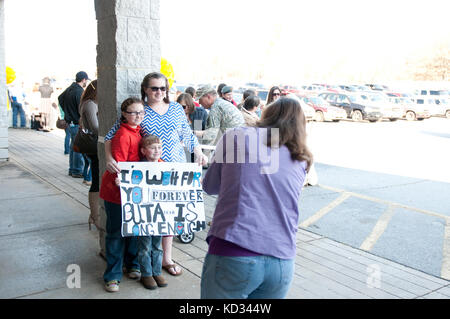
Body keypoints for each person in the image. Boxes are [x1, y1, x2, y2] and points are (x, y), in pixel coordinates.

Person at [200, 97, 313, 299]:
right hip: (282, 261)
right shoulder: (301, 157)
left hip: (234, 250)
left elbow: (210, 186)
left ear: (266, 114)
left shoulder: (237, 136)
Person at [104, 72, 208, 277]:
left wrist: (199, 151)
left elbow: (187, 135)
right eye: (154, 88)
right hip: (149, 170)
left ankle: (166, 258)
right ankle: (145, 261)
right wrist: (109, 159)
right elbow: (110, 136)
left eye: (163, 88)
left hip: (175, 167)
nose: (159, 92)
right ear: (145, 89)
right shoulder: (140, 111)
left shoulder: (177, 108)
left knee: (170, 215)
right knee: (150, 217)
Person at [99, 97, 144, 293]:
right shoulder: (123, 134)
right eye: (133, 112)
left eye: (141, 113)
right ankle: (112, 276)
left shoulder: (140, 131)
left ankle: (132, 263)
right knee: (116, 233)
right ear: (124, 114)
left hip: (132, 189)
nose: (138, 116)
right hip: (117, 190)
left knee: (133, 229)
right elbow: (120, 164)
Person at [134, 134, 167, 290]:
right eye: (152, 148)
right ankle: (146, 273)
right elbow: (131, 185)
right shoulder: (138, 167)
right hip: (143, 214)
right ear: (143, 151)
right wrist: (122, 182)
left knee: (157, 245)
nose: (157, 150)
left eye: (159, 147)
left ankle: (157, 271)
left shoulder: (165, 166)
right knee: (145, 245)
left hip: (159, 213)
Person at [78, 80, 103, 231]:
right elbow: (95, 127)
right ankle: (95, 216)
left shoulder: (89, 103)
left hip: (93, 147)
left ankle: (94, 215)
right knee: (96, 182)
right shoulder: (90, 104)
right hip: (93, 147)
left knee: (97, 180)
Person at [58, 71, 90, 178]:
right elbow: (81, 108)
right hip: (76, 122)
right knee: (78, 147)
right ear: (84, 80)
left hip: (69, 122)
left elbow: (60, 98)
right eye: (86, 80)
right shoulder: (80, 91)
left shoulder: (70, 88)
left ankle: (72, 169)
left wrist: (67, 112)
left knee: (73, 146)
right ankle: (76, 170)